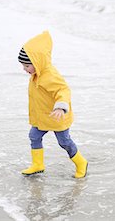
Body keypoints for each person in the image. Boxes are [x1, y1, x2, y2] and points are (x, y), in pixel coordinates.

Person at [18, 31, 88, 178]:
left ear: (37, 62)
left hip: (57, 115)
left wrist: (60, 107)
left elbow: (63, 90)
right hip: (42, 116)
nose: (24, 69)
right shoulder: (36, 74)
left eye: (26, 66)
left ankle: (81, 162)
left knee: (64, 142)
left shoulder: (49, 75)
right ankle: (38, 165)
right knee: (34, 136)